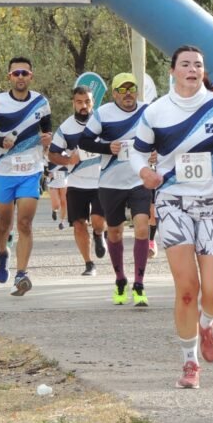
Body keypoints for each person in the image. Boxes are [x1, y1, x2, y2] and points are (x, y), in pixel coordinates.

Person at [131, 45, 213, 390]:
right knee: (186, 289)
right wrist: (144, 174)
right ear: (173, 71)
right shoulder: (156, 112)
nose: (192, 69)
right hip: (173, 202)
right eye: (185, 64)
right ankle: (189, 362)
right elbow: (137, 154)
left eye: (198, 64)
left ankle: (207, 323)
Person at [0, 56, 53, 296]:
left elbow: (47, 130)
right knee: (4, 223)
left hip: (31, 169)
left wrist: (48, 139)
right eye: (16, 73)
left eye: (24, 73)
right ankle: (2, 253)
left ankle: (21, 274)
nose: (20, 77)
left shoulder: (41, 102)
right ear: (9, 77)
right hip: (3, 170)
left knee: (25, 223)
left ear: (31, 76)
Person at [79, 73, 152, 304]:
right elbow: (84, 141)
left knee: (142, 227)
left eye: (132, 88)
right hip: (111, 182)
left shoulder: (148, 111)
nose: (128, 93)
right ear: (115, 94)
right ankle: (120, 280)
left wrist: (156, 151)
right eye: (123, 89)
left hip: (139, 180)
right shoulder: (103, 114)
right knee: (115, 232)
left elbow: (162, 136)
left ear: (137, 92)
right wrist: (106, 147)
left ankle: (139, 284)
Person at [48, 86, 107, 277]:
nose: (84, 106)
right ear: (73, 103)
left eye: (87, 102)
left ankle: (99, 234)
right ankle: (89, 264)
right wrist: (67, 160)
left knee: (98, 221)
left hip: (100, 181)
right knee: (79, 224)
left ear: (93, 103)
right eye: (79, 102)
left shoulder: (103, 123)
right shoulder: (66, 128)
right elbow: (52, 154)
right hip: (75, 182)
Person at [47, 160, 68, 229]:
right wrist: (48, 174)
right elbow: (44, 170)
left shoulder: (67, 153)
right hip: (53, 182)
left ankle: (62, 222)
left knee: (64, 202)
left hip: (65, 181)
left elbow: (72, 168)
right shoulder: (49, 154)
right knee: (56, 204)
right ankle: (54, 210)